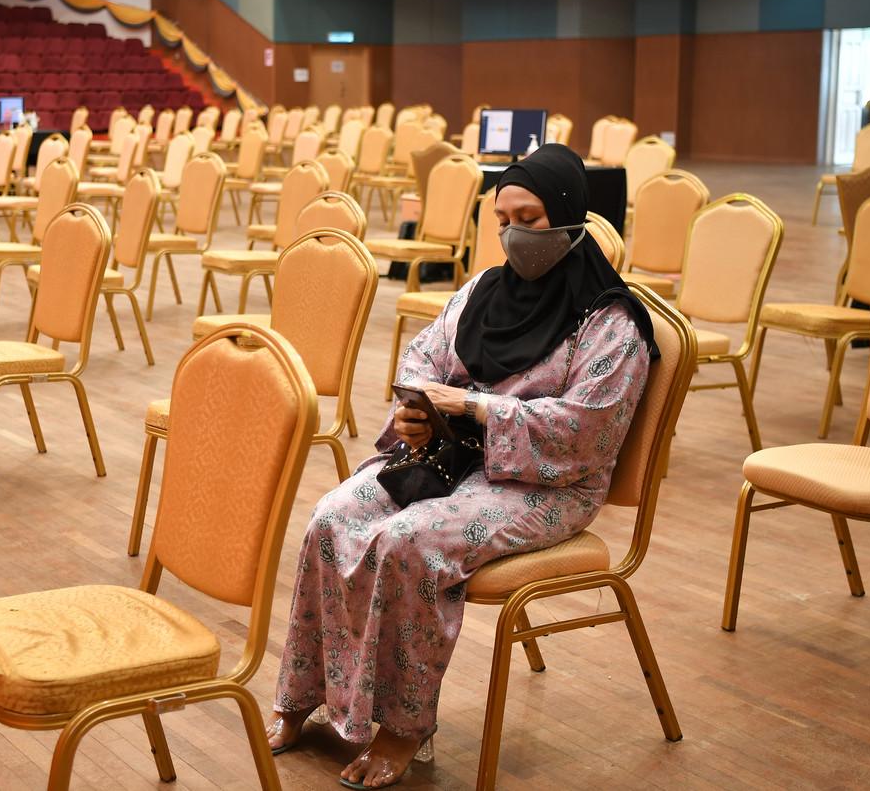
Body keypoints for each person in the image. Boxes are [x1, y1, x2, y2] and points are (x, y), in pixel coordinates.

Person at [265, 144, 659, 789]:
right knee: (332, 515)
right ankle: (305, 693)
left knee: (408, 543)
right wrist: (420, 406)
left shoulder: (611, 323)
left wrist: (475, 409)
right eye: (503, 219)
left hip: (546, 483)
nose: (513, 235)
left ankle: (403, 727)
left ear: (567, 217)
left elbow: (587, 433)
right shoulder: (483, 289)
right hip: (456, 461)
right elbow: (425, 355)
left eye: (529, 220)